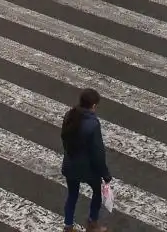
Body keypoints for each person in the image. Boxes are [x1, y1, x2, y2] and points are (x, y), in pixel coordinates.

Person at [59, 87, 112, 232]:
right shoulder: (93, 124)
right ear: (93, 106)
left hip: (70, 164)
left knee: (72, 195)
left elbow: (65, 138)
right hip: (87, 169)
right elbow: (97, 152)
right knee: (97, 192)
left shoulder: (69, 115)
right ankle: (92, 224)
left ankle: (68, 227)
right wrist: (105, 174)